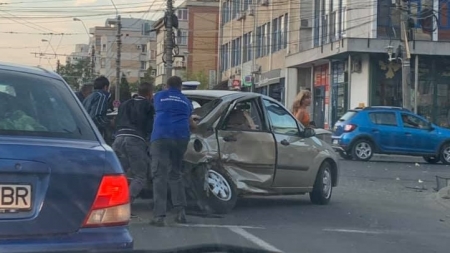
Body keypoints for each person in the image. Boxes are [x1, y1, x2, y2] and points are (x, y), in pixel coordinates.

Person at [149, 76, 199, 227]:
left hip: (161, 137)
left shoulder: (158, 96)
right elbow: (191, 124)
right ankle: (180, 212)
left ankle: (159, 216)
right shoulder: (186, 101)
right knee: (176, 173)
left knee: (159, 175)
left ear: (166, 86)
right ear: (180, 87)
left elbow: (152, 111)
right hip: (181, 137)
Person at [112, 82, 155, 214]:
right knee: (140, 176)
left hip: (118, 139)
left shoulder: (125, 104)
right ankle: (126, 204)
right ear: (149, 94)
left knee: (117, 174)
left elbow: (116, 121)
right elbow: (150, 127)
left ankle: (111, 202)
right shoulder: (149, 106)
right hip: (135, 140)